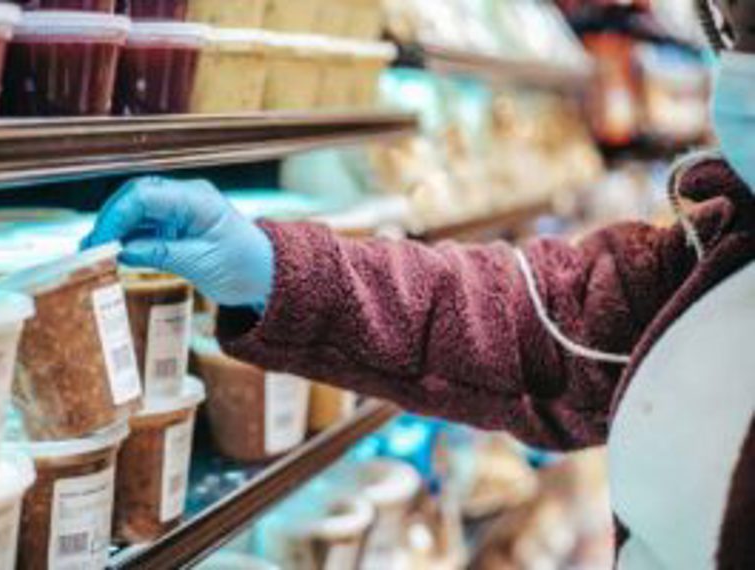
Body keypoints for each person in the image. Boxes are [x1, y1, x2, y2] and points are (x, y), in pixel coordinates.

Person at [84, 1, 754, 567]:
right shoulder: (721, 246)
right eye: (729, 31)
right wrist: (276, 270)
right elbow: (542, 321)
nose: (737, 64)